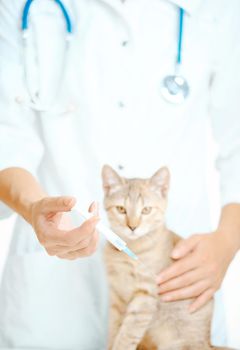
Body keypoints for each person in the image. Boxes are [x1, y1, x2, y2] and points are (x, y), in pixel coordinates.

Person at [0, 0, 240, 348]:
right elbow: (6, 137)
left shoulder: (218, 7)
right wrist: (36, 207)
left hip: (178, 280)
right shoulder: (19, 6)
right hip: (55, 296)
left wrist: (227, 242)